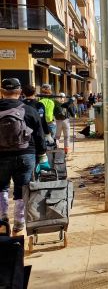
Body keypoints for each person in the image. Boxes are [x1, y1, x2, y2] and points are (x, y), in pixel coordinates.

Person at [0, 78, 49, 235]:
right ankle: (19, 223)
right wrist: (42, 155)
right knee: (22, 189)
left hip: (1, 157)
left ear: (1, 92)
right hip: (26, 154)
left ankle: (2, 219)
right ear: (19, 92)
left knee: (1, 187)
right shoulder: (29, 110)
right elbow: (40, 135)